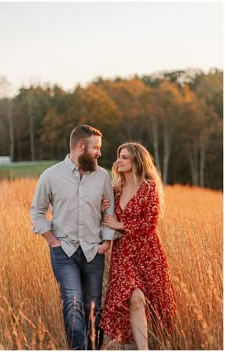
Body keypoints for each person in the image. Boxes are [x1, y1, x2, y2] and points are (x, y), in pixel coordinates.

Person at [30, 125, 116, 350]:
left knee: (94, 308)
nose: (99, 152)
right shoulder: (51, 175)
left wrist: (106, 242)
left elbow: (110, 212)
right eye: (95, 147)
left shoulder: (102, 175)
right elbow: (37, 211)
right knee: (72, 302)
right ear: (81, 146)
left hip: (93, 251)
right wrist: (52, 241)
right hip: (64, 251)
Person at [99, 142, 176, 350]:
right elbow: (105, 219)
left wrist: (120, 224)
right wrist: (103, 209)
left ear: (138, 161)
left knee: (150, 302)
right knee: (135, 298)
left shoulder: (149, 187)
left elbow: (150, 223)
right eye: (119, 156)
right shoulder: (115, 189)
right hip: (123, 253)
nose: (119, 160)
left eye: (125, 157)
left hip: (148, 252)